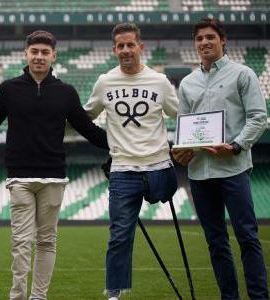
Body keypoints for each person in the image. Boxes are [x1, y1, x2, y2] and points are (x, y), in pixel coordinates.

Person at [0, 30, 108, 300]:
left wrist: (123, 144)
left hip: (53, 178)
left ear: (54, 55)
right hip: (19, 177)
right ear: (26, 54)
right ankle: (17, 296)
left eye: (44, 52)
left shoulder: (66, 92)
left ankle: (38, 297)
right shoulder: (8, 89)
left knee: (46, 241)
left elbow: (89, 129)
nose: (39, 57)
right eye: (34, 52)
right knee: (20, 242)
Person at [172, 17, 269, 300]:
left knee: (247, 237)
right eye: (200, 38)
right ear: (195, 44)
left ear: (222, 40)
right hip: (200, 173)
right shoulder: (188, 83)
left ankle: (259, 297)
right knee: (216, 242)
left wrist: (236, 145)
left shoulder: (243, 74)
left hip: (233, 168)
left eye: (210, 37)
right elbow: (185, 126)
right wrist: (183, 150)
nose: (205, 42)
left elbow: (258, 117)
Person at [83, 23, 179, 300]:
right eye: (120, 46)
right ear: (114, 50)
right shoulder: (105, 82)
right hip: (123, 169)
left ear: (141, 47)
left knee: (165, 193)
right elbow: (85, 116)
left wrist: (190, 145)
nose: (126, 50)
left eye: (130, 45)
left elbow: (180, 115)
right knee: (119, 235)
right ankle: (114, 293)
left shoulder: (159, 82)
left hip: (160, 165)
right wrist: (49, 123)